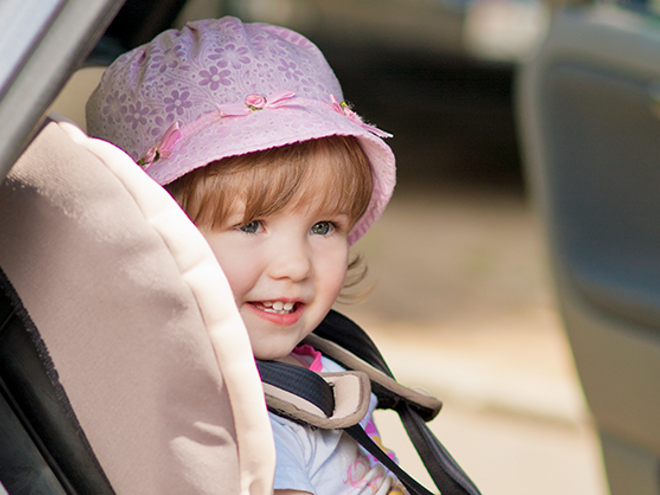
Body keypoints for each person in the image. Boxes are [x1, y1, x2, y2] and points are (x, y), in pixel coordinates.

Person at [86, 16, 401, 495]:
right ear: (155, 238)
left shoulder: (306, 366)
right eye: (251, 225)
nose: (294, 266)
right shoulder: (242, 418)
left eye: (323, 227)